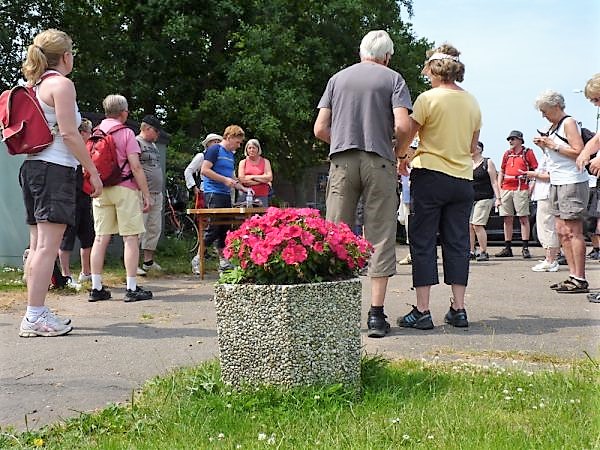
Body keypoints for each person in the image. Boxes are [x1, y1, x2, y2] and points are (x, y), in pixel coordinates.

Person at [314, 30, 412, 338]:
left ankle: (334, 314)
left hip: (342, 160)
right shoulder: (393, 79)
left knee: (336, 232)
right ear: (386, 56)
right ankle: (376, 316)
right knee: (380, 233)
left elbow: (319, 128)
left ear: (361, 52)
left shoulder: (337, 80)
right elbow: (402, 125)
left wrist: (341, 141)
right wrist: (398, 150)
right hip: (379, 160)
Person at [18, 29, 102, 337]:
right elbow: (69, 134)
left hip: (33, 169)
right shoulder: (62, 85)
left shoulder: (34, 85)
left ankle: (35, 311)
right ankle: (34, 315)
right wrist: (91, 169)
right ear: (65, 56)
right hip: (54, 170)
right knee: (47, 248)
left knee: (39, 245)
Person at [396, 43, 481, 330]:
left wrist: (402, 155)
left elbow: (408, 134)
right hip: (462, 179)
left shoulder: (427, 99)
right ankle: (459, 309)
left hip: (430, 175)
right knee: (457, 242)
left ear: (433, 69)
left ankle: (422, 311)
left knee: (423, 242)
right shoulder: (472, 102)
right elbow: (472, 146)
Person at [88, 94, 153, 302]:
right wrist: (146, 194)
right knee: (130, 238)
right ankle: (131, 287)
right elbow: (135, 166)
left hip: (101, 188)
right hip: (124, 188)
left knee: (100, 238)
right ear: (123, 112)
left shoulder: (96, 132)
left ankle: (96, 287)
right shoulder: (126, 133)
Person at [533, 89, 589, 293]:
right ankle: (572, 275)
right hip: (556, 182)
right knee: (562, 231)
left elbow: (579, 152)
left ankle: (580, 278)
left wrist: (553, 145)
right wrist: (544, 146)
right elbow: (556, 156)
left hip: (572, 181)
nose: (543, 115)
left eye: (545, 110)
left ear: (556, 106)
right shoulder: (554, 126)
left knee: (573, 231)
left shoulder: (569, 123)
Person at [200, 125, 248, 272]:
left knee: (225, 228)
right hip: (213, 192)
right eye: (237, 142)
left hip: (226, 194)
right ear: (229, 137)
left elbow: (232, 177)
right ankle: (198, 258)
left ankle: (224, 261)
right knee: (214, 227)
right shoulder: (215, 150)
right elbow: (205, 170)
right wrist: (224, 180)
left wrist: (243, 188)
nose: (239, 146)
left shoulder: (230, 155)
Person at [58, 118, 96, 288]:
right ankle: (66, 275)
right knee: (67, 238)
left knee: (88, 235)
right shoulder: (68, 148)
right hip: (69, 198)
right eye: (89, 132)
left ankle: (86, 272)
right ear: (81, 133)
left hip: (83, 197)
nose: (91, 135)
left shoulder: (85, 151)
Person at [495, 130, 538, 259]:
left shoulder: (527, 152)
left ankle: (525, 247)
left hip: (521, 187)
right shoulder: (507, 154)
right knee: (507, 218)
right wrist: (499, 187)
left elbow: (535, 170)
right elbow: (502, 171)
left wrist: (532, 186)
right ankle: (507, 247)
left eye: (513, 139)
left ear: (520, 140)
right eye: (509, 139)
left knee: (523, 217)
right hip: (506, 188)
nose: (510, 141)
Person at [521, 150, 560, 272]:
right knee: (544, 227)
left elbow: (551, 175)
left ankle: (551, 259)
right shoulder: (546, 155)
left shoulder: (553, 157)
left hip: (548, 194)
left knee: (547, 226)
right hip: (542, 194)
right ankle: (549, 257)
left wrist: (534, 175)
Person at [136, 115, 164, 275]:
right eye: (156, 131)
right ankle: (134, 263)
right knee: (139, 227)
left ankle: (148, 261)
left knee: (154, 228)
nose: (157, 134)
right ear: (146, 128)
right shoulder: (136, 142)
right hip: (141, 192)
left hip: (156, 192)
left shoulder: (152, 145)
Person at [469, 141, 501, 261]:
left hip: (484, 197)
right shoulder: (467, 163)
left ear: (480, 149)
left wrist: (498, 198)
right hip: (470, 198)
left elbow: (494, 181)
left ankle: (483, 251)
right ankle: (471, 251)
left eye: (475, 146)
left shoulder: (488, 162)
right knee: (469, 226)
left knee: (478, 225)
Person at [184, 133, 223, 209]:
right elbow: (188, 171)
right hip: (204, 191)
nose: (217, 144)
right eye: (214, 142)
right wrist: (193, 187)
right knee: (204, 217)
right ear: (208, 144)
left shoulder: (221, 158)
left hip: (219, 191)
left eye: (218, 142)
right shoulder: (201, 156)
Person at [238, 139, 273, 206]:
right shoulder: (243, 162)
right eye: (249, 148)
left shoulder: (265, 161)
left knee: (262, 216)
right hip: (246, 195)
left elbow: (269, 178)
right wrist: (263, 180)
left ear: (258, 149)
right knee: (245, 216)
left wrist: (252, 177)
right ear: (246, 150)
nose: (251, 150)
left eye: (254, 148)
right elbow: (242, 180)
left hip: (262, 195)